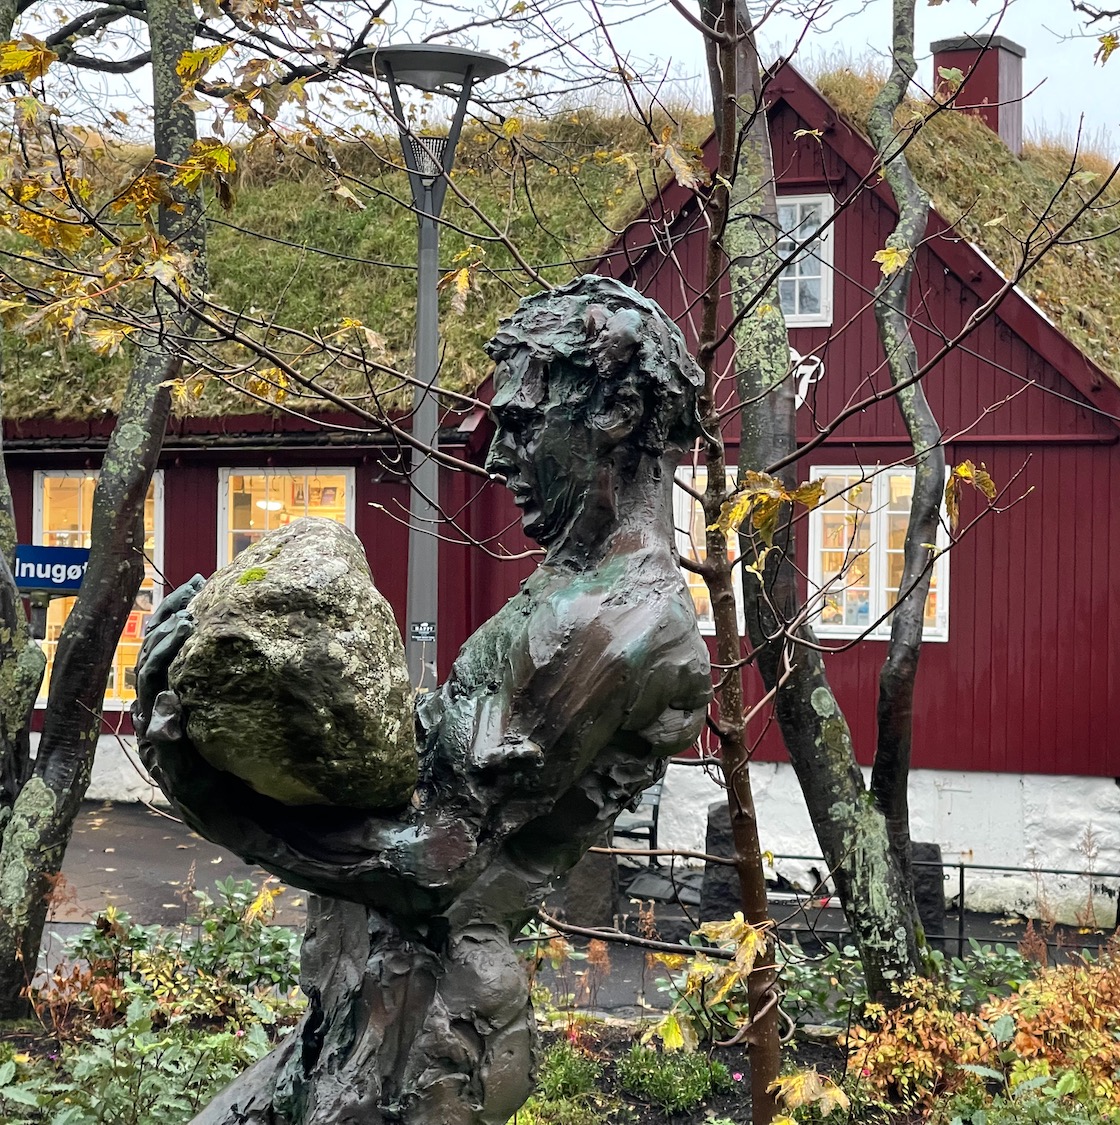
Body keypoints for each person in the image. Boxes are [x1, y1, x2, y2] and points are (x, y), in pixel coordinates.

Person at [132, 275, 713, 1125]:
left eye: (520, 424)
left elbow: (435, 862)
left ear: (619, 411)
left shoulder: (616, 622)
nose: (494, 455)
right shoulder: (573, 589)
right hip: (374, 1011)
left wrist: (203, 790)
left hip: (422, 1046)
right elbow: (429, 762)